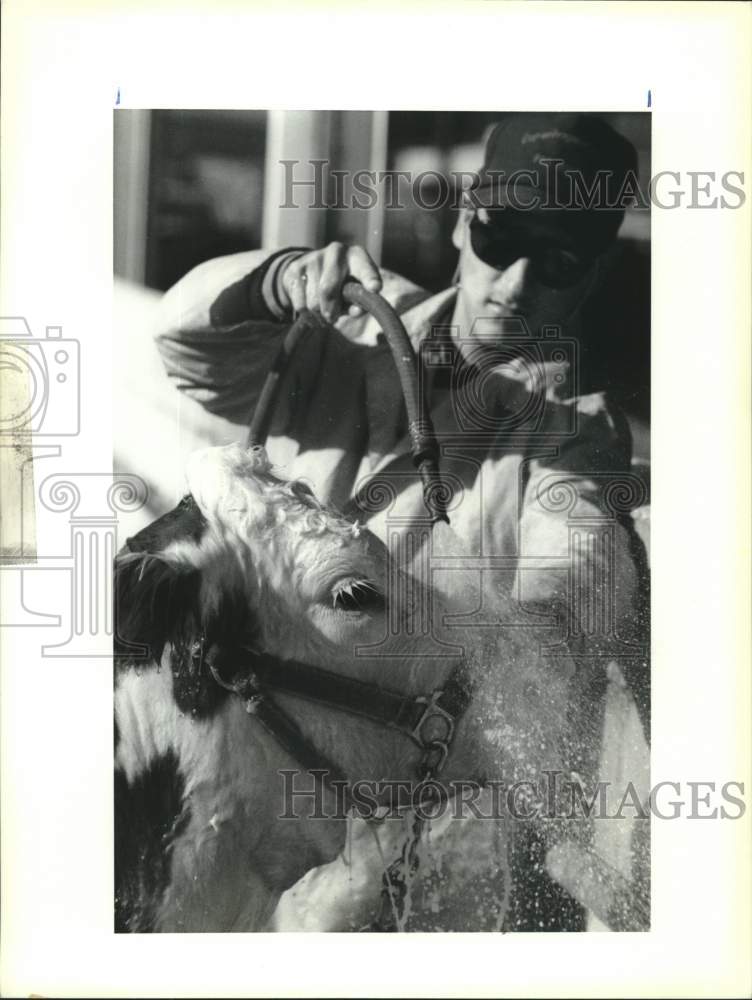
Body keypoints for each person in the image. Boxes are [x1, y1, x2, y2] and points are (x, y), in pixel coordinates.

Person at [154, 112, 649, 929]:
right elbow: (184, 346)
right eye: (501, 239)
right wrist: (278, 283)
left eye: (558, 261)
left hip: (389, 819)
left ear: (591, 277)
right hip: (243, 755)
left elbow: (577, 594)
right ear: (463, 223)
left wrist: (421, 636)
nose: (519, 282)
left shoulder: (573, 435)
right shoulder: (345, 331)